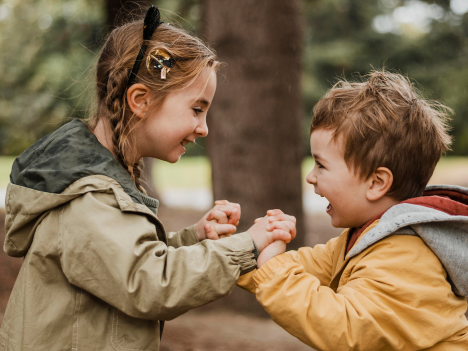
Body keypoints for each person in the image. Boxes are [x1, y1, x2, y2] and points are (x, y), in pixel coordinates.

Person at [0, 7, 296, 351]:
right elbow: (151, 284)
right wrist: (249, 245)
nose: (204, 128)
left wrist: (194, 238)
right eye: (197, 109)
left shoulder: (96, 186)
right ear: (140, 100)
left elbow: (125, 259)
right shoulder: (88, 197)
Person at [238, 70, 468, 350]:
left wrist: (273, 270)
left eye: (321, 165)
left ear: (376, 183)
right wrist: (234, 250)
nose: (310, 177)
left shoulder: (406, 256)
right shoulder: (365, 238)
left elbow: (347, 329)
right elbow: (305, 266)